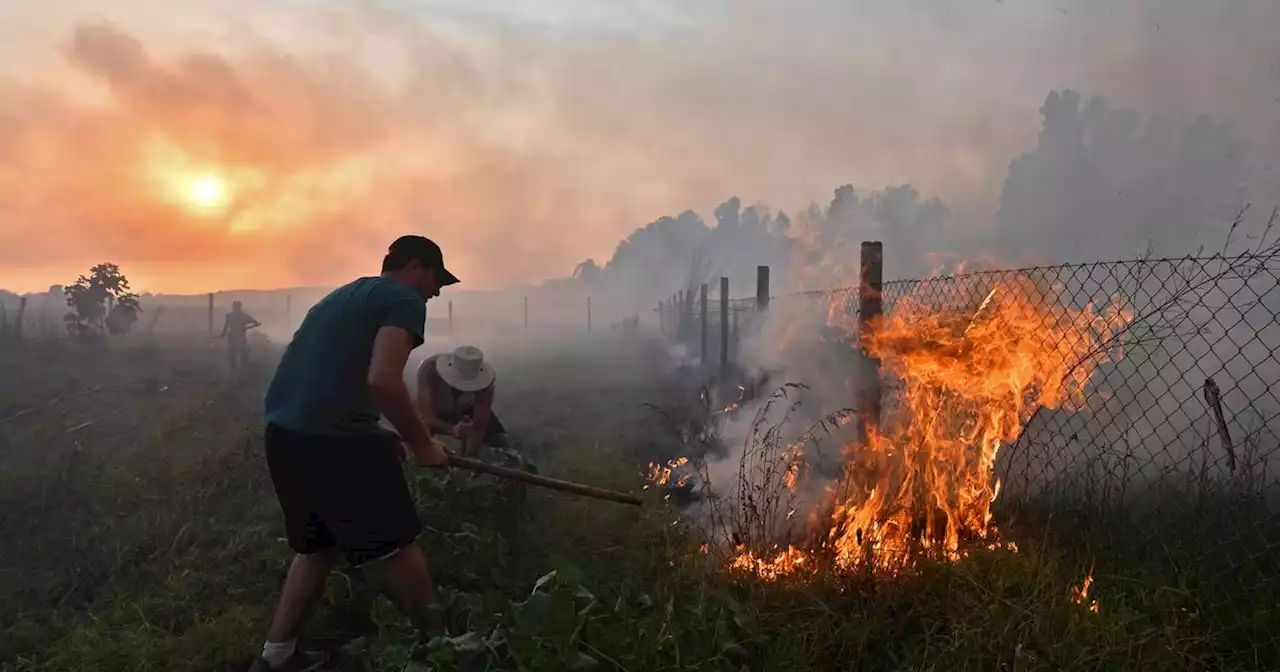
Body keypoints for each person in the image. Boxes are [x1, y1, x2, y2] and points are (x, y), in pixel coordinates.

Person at [249, 235, 460, 672]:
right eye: (437, 279)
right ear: (416, 268)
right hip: (333, 444)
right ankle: (448, 652)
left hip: (285, 434)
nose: (437, 292)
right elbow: (383, 380)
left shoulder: (343, 297)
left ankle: (276, 657)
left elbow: (331, 374)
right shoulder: (404, 298)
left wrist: (374, 431)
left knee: (318, 547)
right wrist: (423, 445)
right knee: (397, 543)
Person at [415, 345, 510, 457]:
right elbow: (427, 417)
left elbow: (479, 427)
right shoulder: (429, 370)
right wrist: (452, 430)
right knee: (418, 433)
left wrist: (468, 459)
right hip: (438, 410)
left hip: (467, 408)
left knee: (501, 441)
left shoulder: (486, 385)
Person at [221, 301, 261, 371]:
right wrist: (223, 333)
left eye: (236, 306)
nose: (235, 308)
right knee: (234, 354)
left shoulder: (242, 315)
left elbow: (253, 321)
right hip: (233, 337)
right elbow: (226, 325)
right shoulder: (231, 315)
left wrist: (256, 323)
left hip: (239, 337)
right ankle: (236, 369)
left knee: (241, 354)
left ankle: (241, 369)